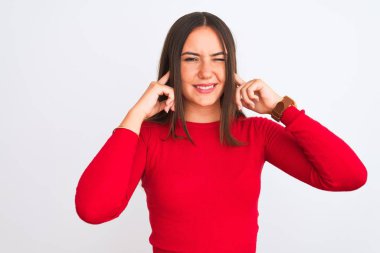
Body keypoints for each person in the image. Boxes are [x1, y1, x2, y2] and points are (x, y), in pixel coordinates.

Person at [75, 11, 367, 253]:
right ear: (172, 66)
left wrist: (282, 108)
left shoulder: (256, 133)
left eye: (219, 59)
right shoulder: (149, 138)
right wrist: (135, 116)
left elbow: (348, 176)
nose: (206, 71)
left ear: (232, 67)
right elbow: (93, 210)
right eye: (191, 59)